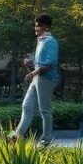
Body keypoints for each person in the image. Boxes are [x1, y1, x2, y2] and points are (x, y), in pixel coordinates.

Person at [10, 13, 60, 147]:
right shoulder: (41, 41)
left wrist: (33, 72)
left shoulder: (51, 42)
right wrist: (30, 63)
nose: (35, 28)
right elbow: (41, 63)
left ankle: (46, 140)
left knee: (45, 110)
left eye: (37, 26)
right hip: (37, 78)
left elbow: (51, 63)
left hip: (46, 78)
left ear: (46, 27)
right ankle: (16, 136)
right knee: (26, 106)